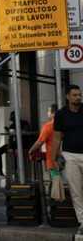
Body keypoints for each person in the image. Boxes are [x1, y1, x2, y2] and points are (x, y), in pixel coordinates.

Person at [53, 85, 83, 235]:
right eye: (75, 95)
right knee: (76, 190)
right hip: (70, 156)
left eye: (79, 95)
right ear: (68, 97)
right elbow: (57, 137)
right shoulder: (61, 114)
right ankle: (82, 222)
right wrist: (54, 158)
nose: (78, 97)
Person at [0, 111, 30, 181]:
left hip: (19, 145)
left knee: (0, 152)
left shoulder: (19, 124)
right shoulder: (21, 123)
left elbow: (15, 135)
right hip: (19, 145)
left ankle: (6, 173)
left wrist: (12, 132)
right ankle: (3, 173)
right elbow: (13, 137)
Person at [29, 105, 57, 170]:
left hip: (53, 159)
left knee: (56, 179)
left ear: (53, 113)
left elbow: (39, 142)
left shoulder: (48, 126)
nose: (47, 113)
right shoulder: (65, 124)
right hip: (68, 158)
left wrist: (31, 150)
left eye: (48, 111)